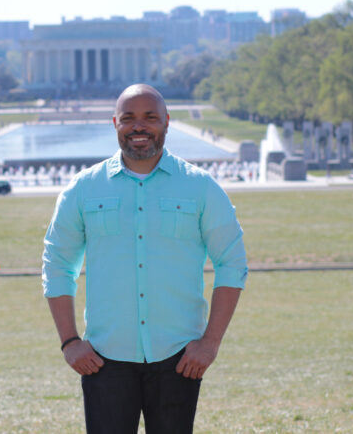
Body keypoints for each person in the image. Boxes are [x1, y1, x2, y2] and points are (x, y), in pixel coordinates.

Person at [42, 84, 248, 434]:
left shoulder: (199, 187)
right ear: (115, 124)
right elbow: (58, 264)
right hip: (103, 359)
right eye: (129, 119)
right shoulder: (83, 188)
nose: (139, 127)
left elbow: (232, 262)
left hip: (179, 358)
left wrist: (210, 343)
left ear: (167, 121)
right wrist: (69, 341)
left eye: (150, 117)